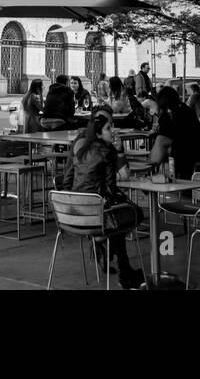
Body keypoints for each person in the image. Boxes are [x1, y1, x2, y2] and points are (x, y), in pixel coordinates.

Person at [64, 107, 146, 289]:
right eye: (109, 127)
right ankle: (122, 269)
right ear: (98, 130)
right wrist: (119, 150)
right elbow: (111, 189)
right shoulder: (106, 151)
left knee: (114, 224)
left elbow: (66, 180)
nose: (113, 130)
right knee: (130, 214)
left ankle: (107, 250)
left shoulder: (79, 146)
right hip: (93, 214)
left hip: (70, 215)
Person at [151, 86, 200, 179]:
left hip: (184, 151)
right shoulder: (187, 110)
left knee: (160, 141)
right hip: (194, 151)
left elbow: (169, 134)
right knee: (161, 142)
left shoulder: (174, 114)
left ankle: (151, 171)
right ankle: (153, 171)